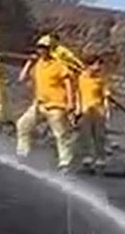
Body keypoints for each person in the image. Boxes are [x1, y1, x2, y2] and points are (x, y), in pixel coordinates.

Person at [16, 36, 78, 172]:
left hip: (56, 105)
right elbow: (21, 78)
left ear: (50, 50)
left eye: (44, 48)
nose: (41, 51)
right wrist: (29, 62)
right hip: (39, 104)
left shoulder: (58, 65)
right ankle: (23, 154)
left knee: (61, 134)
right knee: (23, 125)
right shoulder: (38, 64)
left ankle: (65, 162)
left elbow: (68, 83)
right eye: (39, 48)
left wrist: (71, 102)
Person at [77, 53, 112, 170]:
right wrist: (77, 108)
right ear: (89, 65)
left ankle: (100, 158)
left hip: (99, 110)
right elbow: (78, 94)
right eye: (97, 64)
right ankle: (87, 157)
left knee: (99, 136)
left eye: (100, 64)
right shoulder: (81, 78)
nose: (99, 67)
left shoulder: (101, 80)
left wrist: (107, 110)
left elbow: (105, 96)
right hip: (85, 110)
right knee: (85, 134)